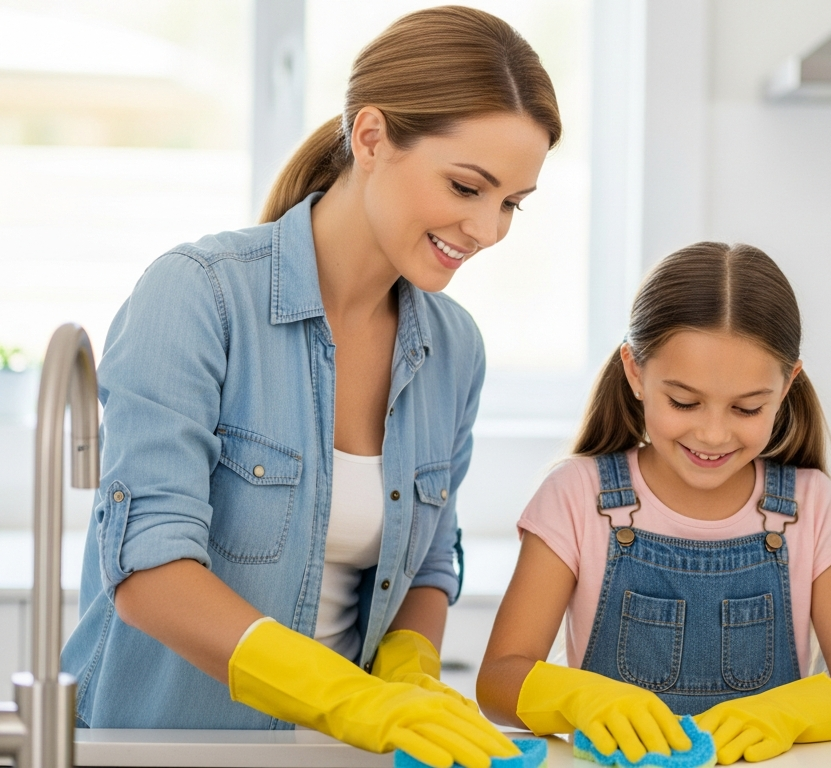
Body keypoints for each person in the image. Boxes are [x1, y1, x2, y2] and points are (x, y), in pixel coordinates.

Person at [60, 7, 560, 768]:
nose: (488, 230)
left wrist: (407, 678)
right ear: (370, 137)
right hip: (158, 747)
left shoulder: (454, 347)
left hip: (338, 755)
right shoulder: (200, 297)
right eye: (466, 186)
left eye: (511, 203)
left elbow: (428, 567)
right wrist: (348, 698)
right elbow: (150, 573)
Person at [475, 243, 831, 764]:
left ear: (787, 386)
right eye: (683, 402)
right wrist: (579, 698)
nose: (713, 433)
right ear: (635, 371)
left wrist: (788, 712)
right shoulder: (577, 496)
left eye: (747, 407)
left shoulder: (812, 507)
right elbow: (497, 680)